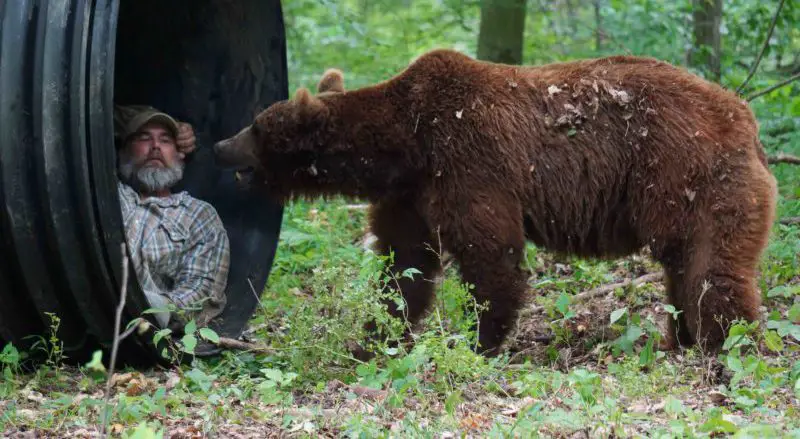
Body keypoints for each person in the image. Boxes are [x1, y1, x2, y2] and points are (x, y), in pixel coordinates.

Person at [113, 105, 230, 331]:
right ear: (123, 151)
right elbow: (89, 112)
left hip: (141, 323)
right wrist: (176, 122)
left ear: (180, 155)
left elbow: (202, 288)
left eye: (166, 140)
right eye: (144, 138)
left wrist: (151, 308)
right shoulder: (106, 192)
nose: (155, 146)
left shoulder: (197, 214)